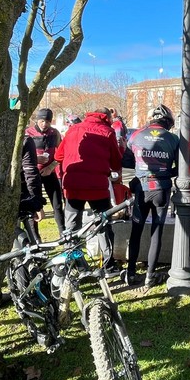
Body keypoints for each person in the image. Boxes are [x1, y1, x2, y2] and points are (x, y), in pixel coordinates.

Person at [54, 107, 123, 276]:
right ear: (107, 118)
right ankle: (108, 265)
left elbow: (58, 156)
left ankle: (75, 264)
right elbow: (116, 163)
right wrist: (122, 148)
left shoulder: (73, 129)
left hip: (73, 184)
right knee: (103, 224)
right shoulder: (108, 132)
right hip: (97, 186)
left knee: (72, 227)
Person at [123, 105, 179, 288]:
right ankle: (150, 275)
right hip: (161, 188)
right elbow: (180, 167)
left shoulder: (136, 135)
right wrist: (165, 171)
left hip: (142, 187)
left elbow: (126, 160)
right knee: (157, 232)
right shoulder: (173, 138)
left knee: (136, 231)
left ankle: (131, 272)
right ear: (168, 122)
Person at [26, 108, 66, 234]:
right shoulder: (28, 133)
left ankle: (64, 234)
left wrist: (51, 167)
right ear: (37, 120)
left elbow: (62, 152)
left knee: (57, 205)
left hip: (49, 172)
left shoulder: (55, 133)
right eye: (42, 121)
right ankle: (35, 239)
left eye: (47, 122)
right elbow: (21, 155)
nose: (45, 124)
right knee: (34, 206)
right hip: (32, 174)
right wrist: (36, 158)